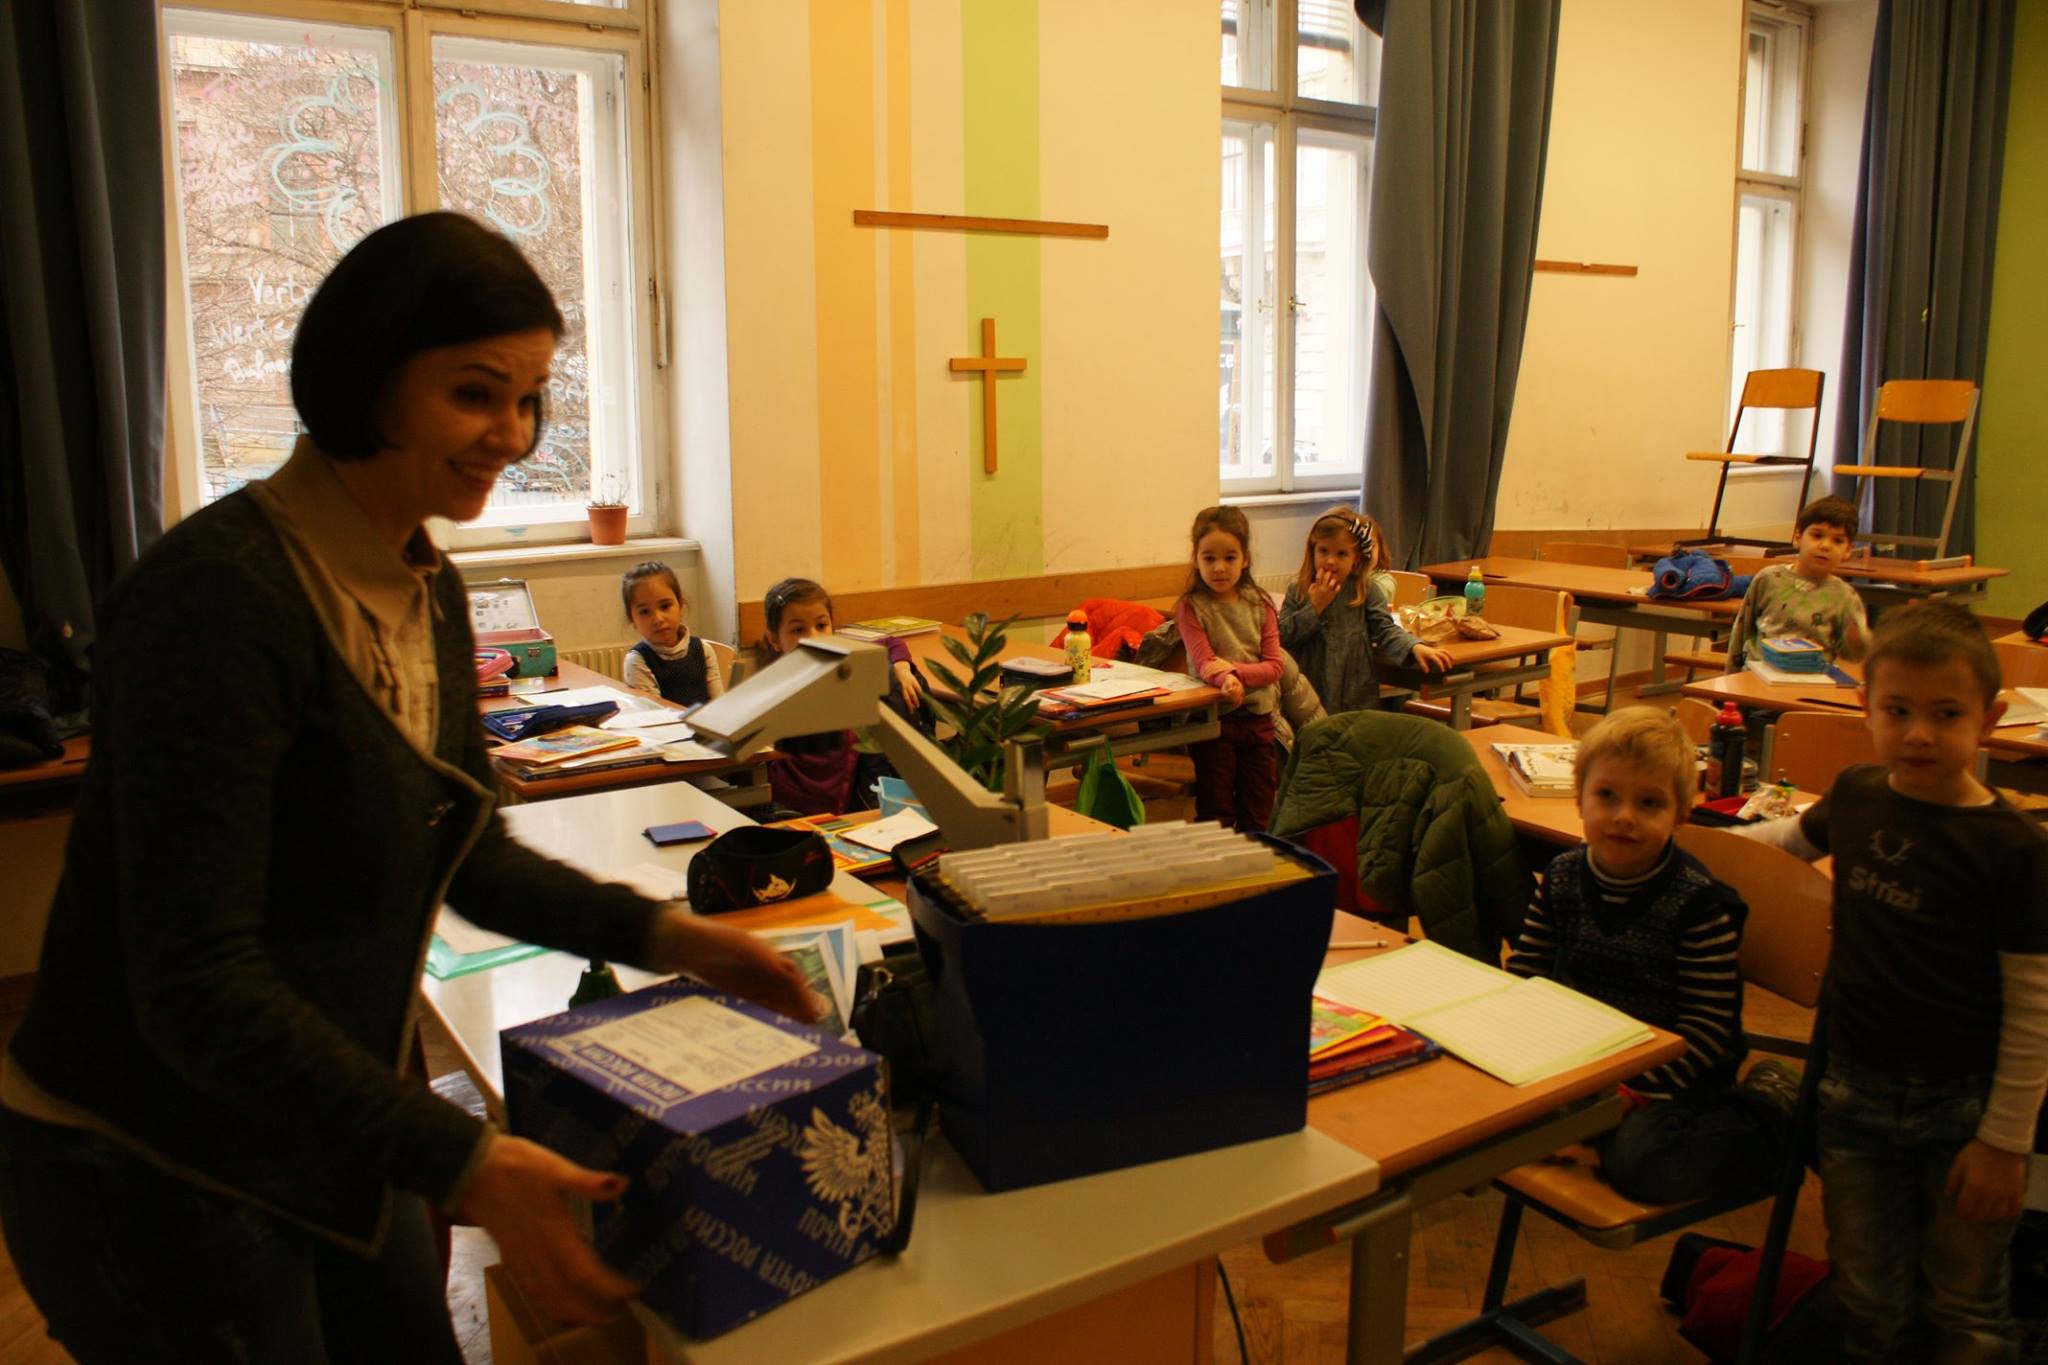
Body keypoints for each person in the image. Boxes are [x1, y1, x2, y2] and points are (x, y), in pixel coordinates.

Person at [0, 213, 817, 1364]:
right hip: (153, 1159)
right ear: (364, 377)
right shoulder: (216, 597)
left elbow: (468, 852)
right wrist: (464, 1158)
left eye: (529, 399)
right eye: (476, 394)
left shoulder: (425, 583)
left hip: (325, 1107)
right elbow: (193, 983)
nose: (512, 435)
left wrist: (676, 938)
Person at [1738, 602, 2048, 1360]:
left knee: (1966, 1308)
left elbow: (2036, 1013)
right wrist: (1689, 838)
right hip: (1853, 1094)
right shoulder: (1859, 793)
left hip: (1966, 1110)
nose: (1918, 734)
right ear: (1865, 706)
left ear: (1989, 719)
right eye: (1898, 710)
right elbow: (1785, 841)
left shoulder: (2015, 849)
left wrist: (2005, 1145)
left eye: (1947, 714)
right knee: (1868, 1297)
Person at [1505, 708, 1794, 1203]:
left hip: (1679, 1080)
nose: (1624, 816)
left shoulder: (1700, 905)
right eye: (1607, 796)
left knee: (1640, 1162)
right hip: (1586, 1063)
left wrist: (1626, 1094)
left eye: (1649, 803)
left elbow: (1706, 1033)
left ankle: (1770, 1109)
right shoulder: (1561, 876)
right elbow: (1527, 975)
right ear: (1578, 799)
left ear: (1680, 815)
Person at [753, 577, 924, 816]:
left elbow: (890, 641)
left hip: (845, 806)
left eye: (821, 625)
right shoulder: (775, 687)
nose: (814, 637)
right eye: (798, 630)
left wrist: (902, 668)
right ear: (775, 640)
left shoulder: (845, 662)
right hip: (791, 808)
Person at [1278, 506, 1453, 716]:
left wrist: (1414, 646)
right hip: (1310, 693)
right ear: (1312, 551)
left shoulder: (1366, 590)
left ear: (1356, 560)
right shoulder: (1298, 590)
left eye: (1341, 554)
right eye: (1323, 551)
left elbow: (1385, 629)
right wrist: (1315, 606)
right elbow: (1283, 636)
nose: (1330, 561)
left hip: (1355, 692)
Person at [1175, 506, 1285, 831]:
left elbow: (1274, 666)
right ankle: (1217, 863)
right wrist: (1225, 680)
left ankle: (1255, 862)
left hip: (1258, 720)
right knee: (1216, 811)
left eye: (1230, 557)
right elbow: (1203, 661)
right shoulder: (1191, 607)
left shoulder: (1260, 604)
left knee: (1258, 810)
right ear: (1196, 559)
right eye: (1209, 558)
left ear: (1245, 559)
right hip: (1214, 722)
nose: (1219, 567)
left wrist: (1235, 674)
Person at [1724, 495, 1871, 672]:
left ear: (1848, 550)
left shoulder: (1845, 596)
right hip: (1757, 673)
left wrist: (1856, 640)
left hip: (1811, 678)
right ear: (1798, 537)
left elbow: (1855, 655)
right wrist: (1730, 676)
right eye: (1817, 536)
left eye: (1837, 541)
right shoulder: (1769, 579)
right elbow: (1741, 630)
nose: (1825, 546)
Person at [620, 560, 724, 706]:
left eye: (665, 606)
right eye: (644, 611)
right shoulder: (637, 660)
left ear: (680, 606)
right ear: (632, 620)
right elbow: (656, 713)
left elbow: (719, 704)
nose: (658, 619)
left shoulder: (703, 650)